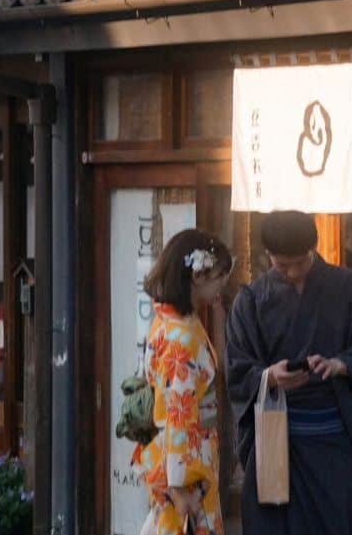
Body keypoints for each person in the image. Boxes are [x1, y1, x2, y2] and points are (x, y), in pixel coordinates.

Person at [225, 211, 352, 535]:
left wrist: (343, 364)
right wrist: (268, 376)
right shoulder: (252, 300)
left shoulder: (351, 288)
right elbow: (237, 367)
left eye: (300, 262)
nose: (294, 273)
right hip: (274, 437)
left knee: (333, 523)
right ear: (267, 255)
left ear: (314, 247)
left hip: (331, 438)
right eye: (282, 266)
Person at [137, 229, 233, 535]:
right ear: (199, 275)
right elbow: (177, 413)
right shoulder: (183, 336)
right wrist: (178, 485)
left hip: (181, 456)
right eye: (220, 276)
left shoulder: (168, 321)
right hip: (187, 468)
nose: (222, 284)